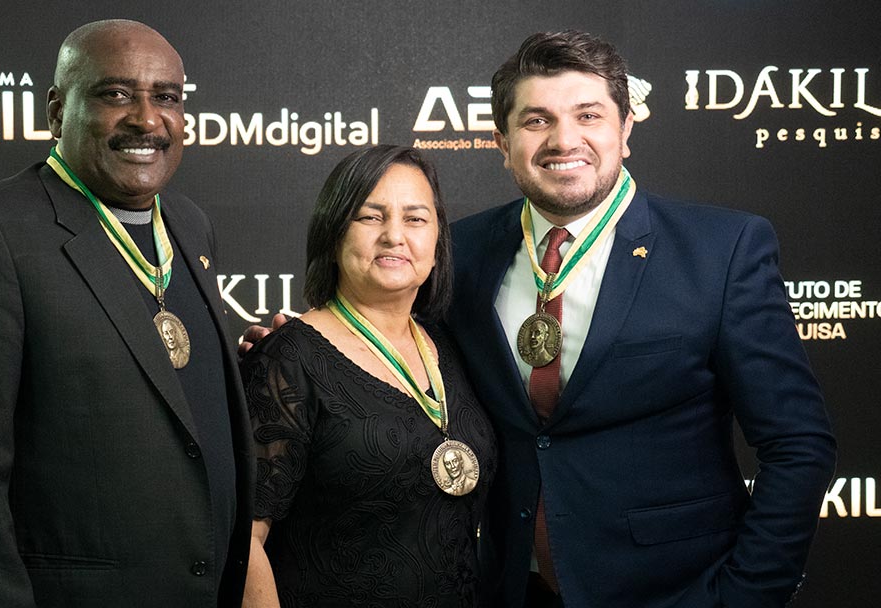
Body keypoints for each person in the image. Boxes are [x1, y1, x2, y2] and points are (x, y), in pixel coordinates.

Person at [446, 31, 837, 607]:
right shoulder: (458, 251)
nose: (564, 139)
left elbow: (798, 443)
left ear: (625, 130)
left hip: (678, 593)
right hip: (512, 590)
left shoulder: (722, 250)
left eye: (589, 115)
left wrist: (746, 595)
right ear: (502, 142)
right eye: (536, 120)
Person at [0, 19, 253, 608]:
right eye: (116, 94)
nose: (147, 119)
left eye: (166, 97)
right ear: (57, 111)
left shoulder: (189, 225)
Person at [240, 145, 497, 607]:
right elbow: (245, 539)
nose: (394, 236)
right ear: (333, 235)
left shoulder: (452, 345)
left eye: (415, 219)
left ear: (437, 244)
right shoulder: (288, 358)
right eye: (370, 217)